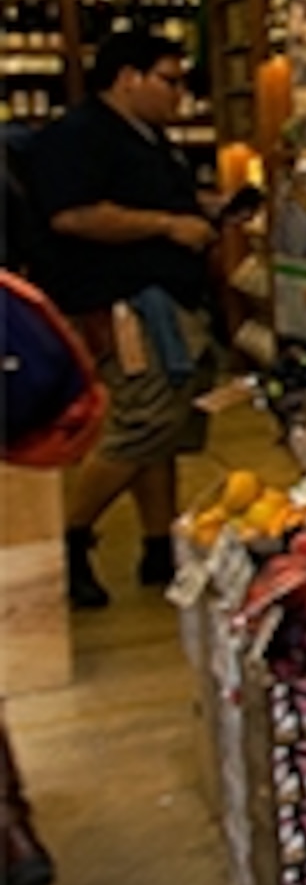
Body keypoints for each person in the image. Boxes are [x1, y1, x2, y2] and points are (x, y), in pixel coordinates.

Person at [20, 31, 223, 608]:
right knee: (143, 421)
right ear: (127, 77)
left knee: (160, 426)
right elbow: (74, 216)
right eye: (170, 79)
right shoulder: (77, 136)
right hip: (124, 302)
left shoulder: (146, 137)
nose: (179, 94)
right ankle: (69, 539)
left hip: (159, 295)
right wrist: (167, 226)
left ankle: (159, 547)